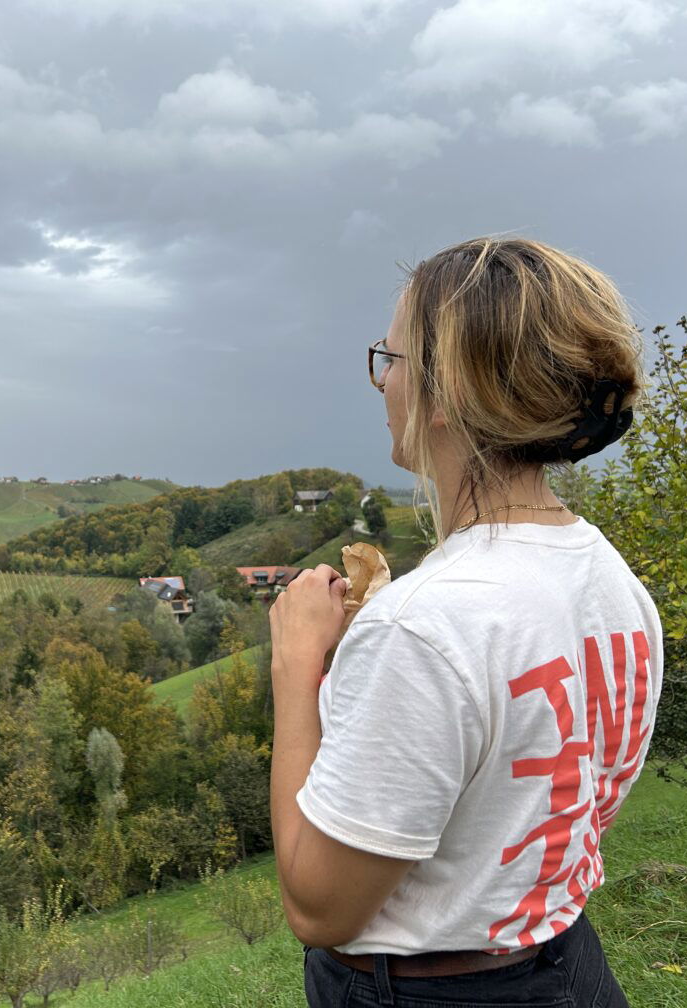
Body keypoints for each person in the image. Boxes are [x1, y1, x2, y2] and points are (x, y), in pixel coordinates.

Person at [269, 236, 664, 1008]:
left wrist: (296, 667)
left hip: (428, 990)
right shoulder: (610, 579)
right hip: (566, 962)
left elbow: (318, 908)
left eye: (391, 359)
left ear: (444, 392)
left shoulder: (423, 625)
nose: (381, 383)